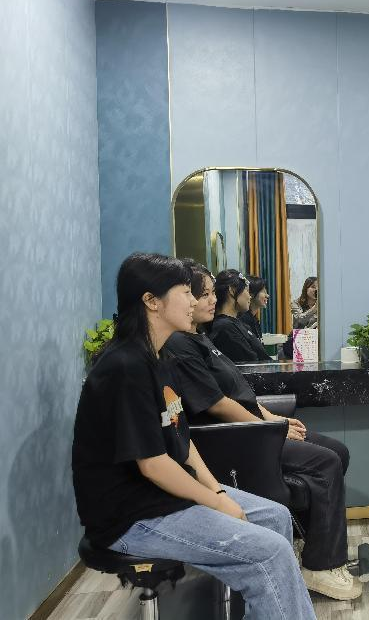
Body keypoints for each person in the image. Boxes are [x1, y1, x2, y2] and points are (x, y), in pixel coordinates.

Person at [71, 253, 315, 619]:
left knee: (276, 516)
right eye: (186, 292)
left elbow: (183, 444)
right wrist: (217, 503)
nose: (195, 301)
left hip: (162, 499)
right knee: (272, 552)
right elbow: (153, 465)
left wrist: (218, 492)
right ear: (151, 301)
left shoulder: (160, 358)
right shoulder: (124, 367)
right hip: (131, 517)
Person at [163, 260, 358, 600]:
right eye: (201, 294)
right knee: (325, 463)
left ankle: (313, 544)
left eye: (210, 293)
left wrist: (272, 418)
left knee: (338, 452)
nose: (211, 300)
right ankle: (321, 566)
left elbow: (241, 394)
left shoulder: (202, 338)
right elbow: (216, 404)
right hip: (237, 438)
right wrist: (270, 427)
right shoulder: (181, 346)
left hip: (255, 427)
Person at [208, 269, 272, 362]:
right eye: (246, 291)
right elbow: (250, 363)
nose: (249, 296)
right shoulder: (226, 328)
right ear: (232, 290)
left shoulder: (237, 324)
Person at [238, 275, 268, 340]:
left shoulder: (254, 319)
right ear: (251, 294)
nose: (267, 296)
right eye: (263, 292)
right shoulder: (243, 320)